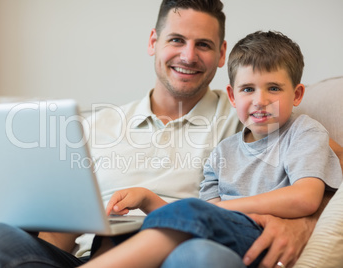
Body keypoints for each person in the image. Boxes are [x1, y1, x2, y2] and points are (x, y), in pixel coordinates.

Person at [0, 1, 341, 267]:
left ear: (221, 55)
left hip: (181, 254)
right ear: (154, 43)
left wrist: (305, 222)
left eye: (203, 44)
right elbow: (61, 232)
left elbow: (326, 158)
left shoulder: (246, 112)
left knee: (203, 256)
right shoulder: (94, 125)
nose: (188, 55)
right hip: (96, 254)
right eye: (176, 40)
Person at [81, 30, 343, 268]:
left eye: (273, 88)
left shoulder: (304, 132)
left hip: (263, 238)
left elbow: (305, 198)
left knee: (191, 211)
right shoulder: (222, 152)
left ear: (297, 95)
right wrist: (148, 198)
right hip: (224, 237)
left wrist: (225, 209)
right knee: (158, 229)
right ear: (232, 96)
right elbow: (199, 222)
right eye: (248, 89)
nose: (260, 100)